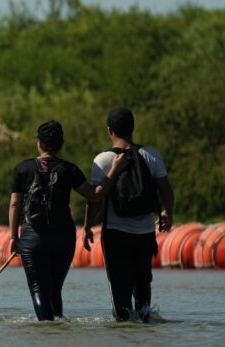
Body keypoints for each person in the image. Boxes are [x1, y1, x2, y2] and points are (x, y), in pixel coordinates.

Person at [9, 120, 125, 321]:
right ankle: (57, 329)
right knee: (55, 288)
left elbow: (14, 204)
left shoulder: (22, 169)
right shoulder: (69, 169)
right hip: (63, 237)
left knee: (39, 288)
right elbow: (95, 195)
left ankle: (46, 328)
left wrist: (13, 236)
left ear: (39, 143)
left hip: (32, 237)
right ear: (61, 144)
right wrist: (113, 169)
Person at [83, 108, 174, 322]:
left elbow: (95, 199)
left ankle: (124, 330)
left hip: (116, 234)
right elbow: (167, 191)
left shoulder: (104, 159)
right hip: (144, 233)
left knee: (119, 291)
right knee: (143, 286)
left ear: (109, 130)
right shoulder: (151, 155)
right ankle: (144, 322)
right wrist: (167, 213)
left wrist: (87, 227)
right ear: (133, 129)